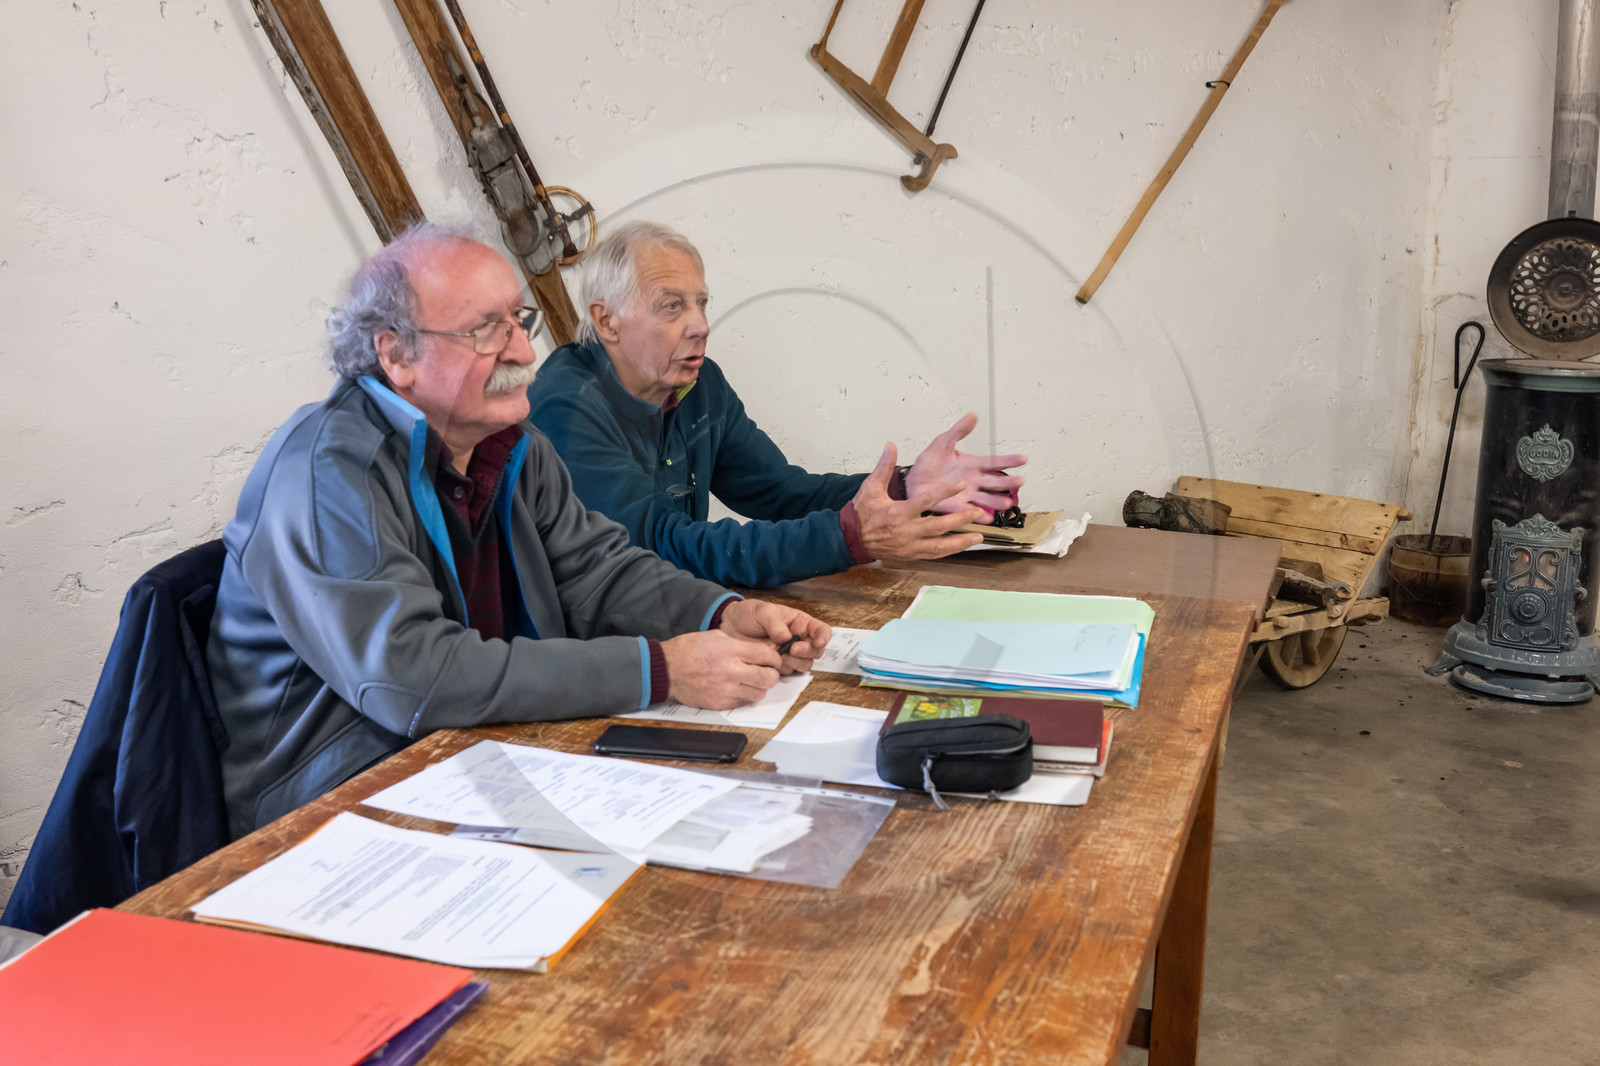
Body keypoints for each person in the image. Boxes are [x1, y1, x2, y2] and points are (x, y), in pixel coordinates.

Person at [207, 223, 830, 839]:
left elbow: (601, 571)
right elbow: (413, 678)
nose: (523, 352)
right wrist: (661, 669)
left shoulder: (511, 447)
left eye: (519, 322)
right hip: (338, 805)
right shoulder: (327, 473)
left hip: (479, 755)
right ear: (396, 354)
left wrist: (720, 613)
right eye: (485, 331)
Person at [525, 220, 1028, 588]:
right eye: (672, 305)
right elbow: (663, 547)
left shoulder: (698, 384)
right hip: (596, 648)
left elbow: (780, 493)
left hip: (672, 619)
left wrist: (902, 486)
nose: (699, 324)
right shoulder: (567, 408)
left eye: (702, 303)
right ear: (607, 321)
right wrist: (849, 536)